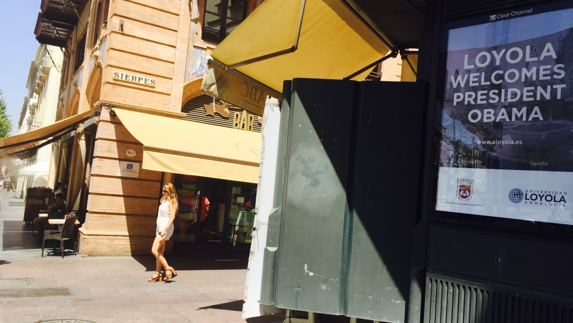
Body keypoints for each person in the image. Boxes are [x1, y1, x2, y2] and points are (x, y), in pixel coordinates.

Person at [149, 183, 178, 282]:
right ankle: (157, 273)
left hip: (166, 226)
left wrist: (165, 229)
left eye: (165, 191)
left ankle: (168, 268)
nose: (163, 192)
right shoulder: (165, 201)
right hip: (161, 226)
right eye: (163, 190)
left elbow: (172, 216)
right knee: (160, 251)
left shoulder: (172, 202)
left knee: (154, 250)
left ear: (170, 192)